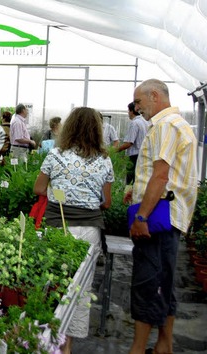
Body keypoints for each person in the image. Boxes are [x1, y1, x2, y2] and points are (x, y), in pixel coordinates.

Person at [33, 107, 114, 354]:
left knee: (51, 284)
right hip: (89, 229)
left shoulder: (56, 155)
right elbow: (107, 202)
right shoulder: (104, 159)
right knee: (80, 289)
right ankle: (67, 346)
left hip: (58, 227)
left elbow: (38, 189)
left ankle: (46, 340)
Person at [127, 79, 197, 354]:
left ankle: (138, 348)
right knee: (164, 281)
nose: (137, 108)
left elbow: (161, 175)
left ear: (154, 96)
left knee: (147, 281)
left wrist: (141, 216)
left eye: (139, 102)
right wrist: (136, 191)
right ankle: (163, 345)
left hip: (158, 218)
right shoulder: (180, 124)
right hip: (171, 216)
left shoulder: (165, 126)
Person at [116, 102, 150, 185]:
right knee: (139, 180)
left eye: (128, 111)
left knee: (131, 180)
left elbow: (129, 143)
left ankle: (129, 196)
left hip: (134, 157)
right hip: (143, 155)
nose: (128, 113)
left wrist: (115, 150)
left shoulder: (134, 123)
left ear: (131, 111)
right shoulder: (145, 122)